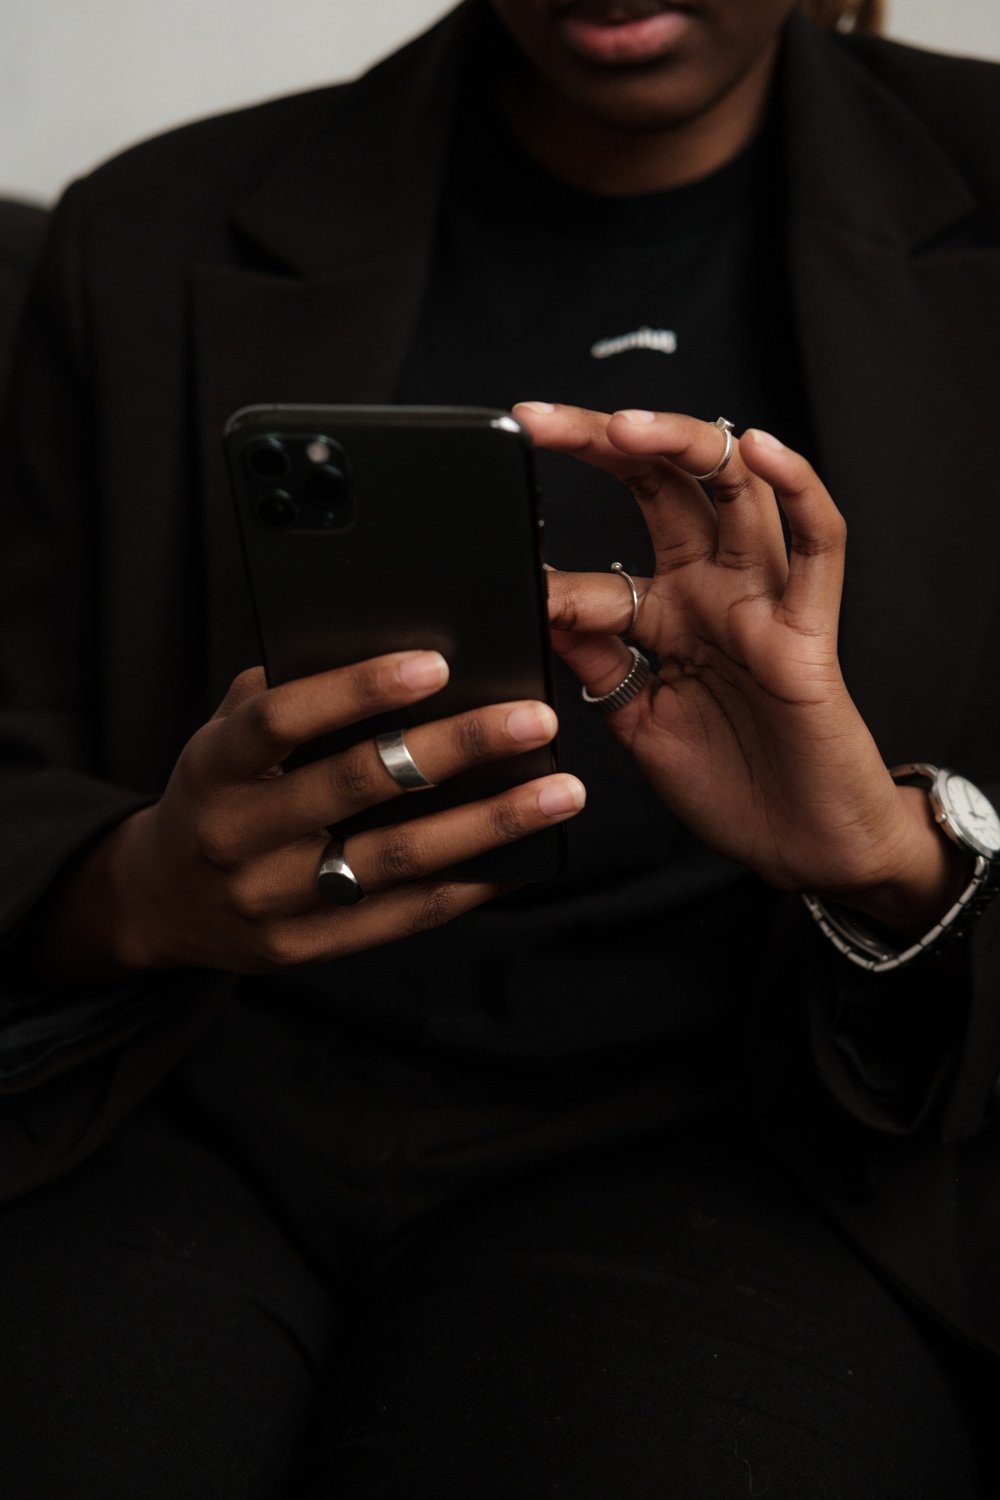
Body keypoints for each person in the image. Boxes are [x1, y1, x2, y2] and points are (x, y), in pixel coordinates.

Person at [1, 0, 999, 1493]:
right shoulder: (147, 228)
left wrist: (889, 859)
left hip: (748, 1157)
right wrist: (132, 891)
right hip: (190, 1107)